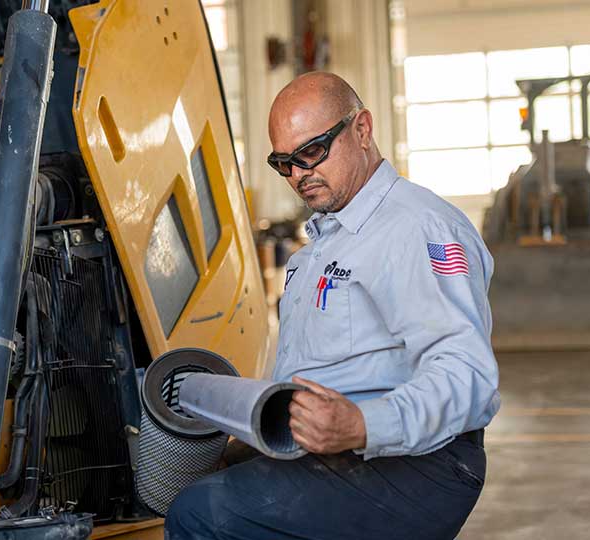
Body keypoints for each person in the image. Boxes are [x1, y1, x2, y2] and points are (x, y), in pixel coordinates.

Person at [164, 72, 500, 540]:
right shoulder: (322, 245)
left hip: (418, 464)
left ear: (362, 129)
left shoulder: (415, 229)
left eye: (311, 152)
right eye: (284, 163)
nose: (299, 174)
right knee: (202, 483)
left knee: (203, 512)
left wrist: (362, 425)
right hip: (340, 451)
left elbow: (467, 376)